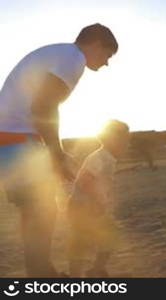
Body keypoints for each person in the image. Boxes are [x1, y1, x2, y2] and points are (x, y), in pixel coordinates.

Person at [0, 24, 118, 277]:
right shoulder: (73, 57)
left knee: (35, 210)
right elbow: (44, 107)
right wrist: (58, 155)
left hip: (8, 138)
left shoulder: (59, 53)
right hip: (17, 137)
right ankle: (42, 276)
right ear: (97, 44)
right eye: (108, 55)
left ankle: (42, 273)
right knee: (42, 209)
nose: (107, 63)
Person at [67, 120, 130, 277]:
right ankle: (79, 274)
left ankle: (96, 269)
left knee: (107, 234)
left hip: (89, 205)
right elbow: (83, 181)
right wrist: (97, 201)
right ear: (112, 140)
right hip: (82, 206)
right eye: (124, 140)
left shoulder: (107, 157)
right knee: (82, 240)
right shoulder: (100, 157)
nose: (127, 144)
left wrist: (103, 199)